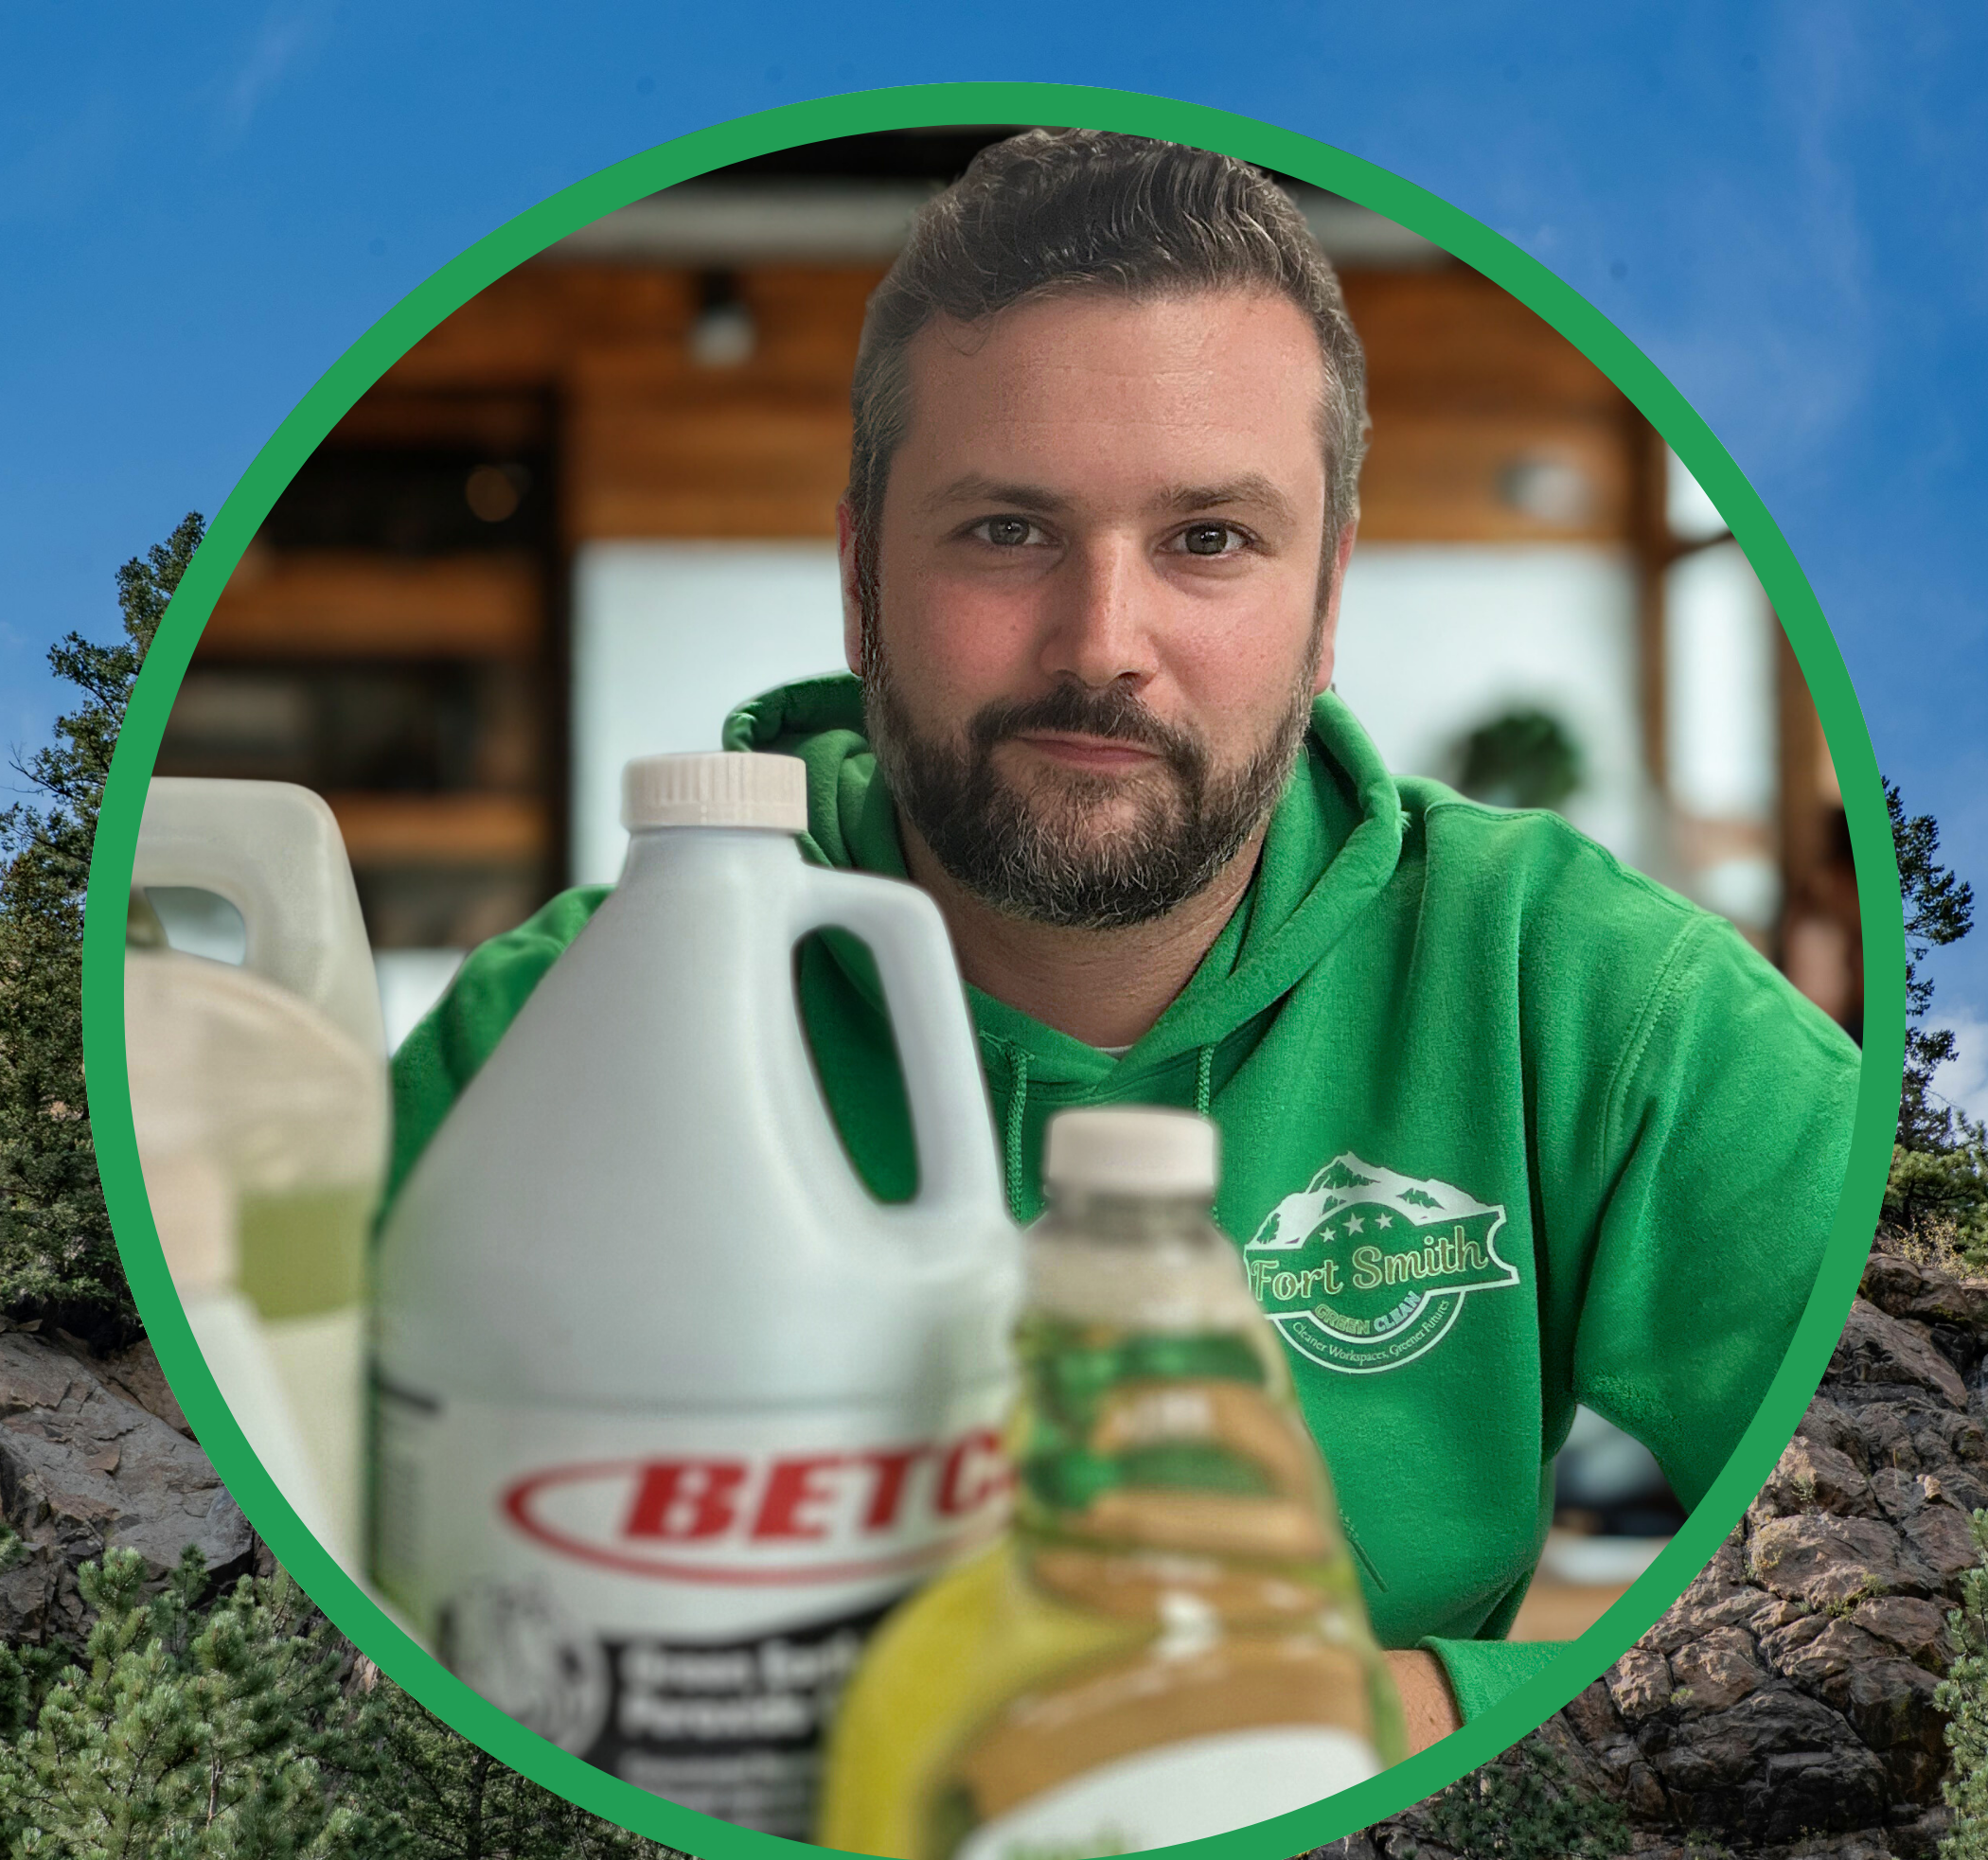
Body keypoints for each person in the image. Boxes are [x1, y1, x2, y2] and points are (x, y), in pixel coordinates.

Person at [386, 130, 1861, 1750]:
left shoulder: (1583, 992)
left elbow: (1940, 1549)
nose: (1102, 645)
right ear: (861, 580)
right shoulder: (553, 1038)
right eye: (1006, 531)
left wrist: (1361, 1728)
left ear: (1327, 598)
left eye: (1209, 539)